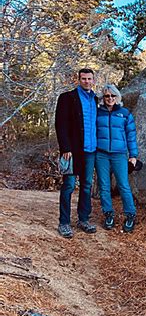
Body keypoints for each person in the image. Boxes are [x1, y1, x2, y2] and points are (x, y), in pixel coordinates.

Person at [55, 68, 98, 238]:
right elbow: (60, 124)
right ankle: (64, 222)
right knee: (69, 186)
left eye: (89, 78)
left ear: (93, 80)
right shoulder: (67, 98)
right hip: (72, 151)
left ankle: (83, 219)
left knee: (87, 186)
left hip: (91, 150)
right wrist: (65, 148)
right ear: (78, 79)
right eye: (83, 78)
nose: (86, 81)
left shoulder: (96, 99)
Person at [95, 84, 138, 232]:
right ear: (103, 98)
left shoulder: (125, 113)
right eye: (107, 96)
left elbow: (131, 135)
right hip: (101, 154)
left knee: (123, 185)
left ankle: (130, 215)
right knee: (104, 186)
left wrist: (133, 155)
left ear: (117, 97)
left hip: (119, 154)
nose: (110, 98)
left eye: (113, 96)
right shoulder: (97, 112)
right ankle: (108, 214)